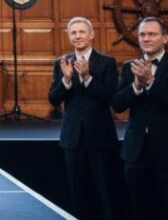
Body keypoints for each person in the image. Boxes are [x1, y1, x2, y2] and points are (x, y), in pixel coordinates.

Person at [111, 17, 168, 220]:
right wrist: (137, 86)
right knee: (140, 210)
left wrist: (151, 82)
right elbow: (118, 104)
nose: (146, 39)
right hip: (136, 152)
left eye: (152, 34)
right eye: (142, 34)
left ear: (165, 38)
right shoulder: (130, 66)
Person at [48, 17, 119, 220]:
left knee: (106, 192)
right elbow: (53, 98)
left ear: (91, 35)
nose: (77, 36)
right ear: (69, 36)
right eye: (73, 33)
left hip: (100, 137)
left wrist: (87, 77)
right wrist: (67, 79)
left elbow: (110, 96)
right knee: (78, 193)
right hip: (72, 138)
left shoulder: (106, 62)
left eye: (81, 32)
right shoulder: (62, 63)